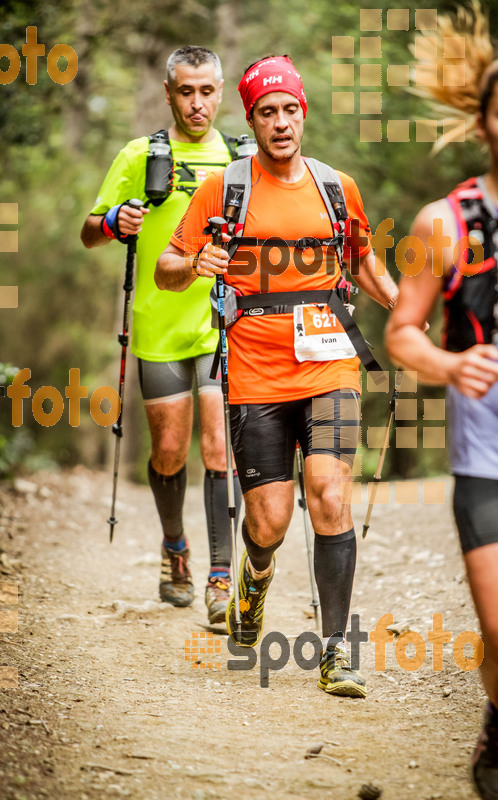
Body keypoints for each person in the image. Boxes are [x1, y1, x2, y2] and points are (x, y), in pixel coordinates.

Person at [156, 55, 398, 696]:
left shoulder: (336, 187)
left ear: (303, 112)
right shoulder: (224, 188)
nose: (282, 122)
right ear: (253, 119)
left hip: (331, 364)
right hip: (256, 373)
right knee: (268, 522)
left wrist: (407, 310)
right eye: (268, 112)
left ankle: (338, 649)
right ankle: (252, 580)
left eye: (291, 108)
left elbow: (365, 264)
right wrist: (195, 263)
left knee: (328, 493)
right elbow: (165, 265)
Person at [385, 6, 498, 798]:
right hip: (495, 461)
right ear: (482, 125)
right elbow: (401, 332)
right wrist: (448, 363)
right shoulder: (444, 223)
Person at [80, 45, 242, 625]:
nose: (196, 103)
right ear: (169, 93)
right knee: (169, 453)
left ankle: (222, 577)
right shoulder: (138, 155)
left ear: (220, 93)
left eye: (206, 91)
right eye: (185, 92)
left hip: (227, 327)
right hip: (158, 328)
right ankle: (176, 547)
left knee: (221, 447)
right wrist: (113, 220)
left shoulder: (240, 157)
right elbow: (89, 232)